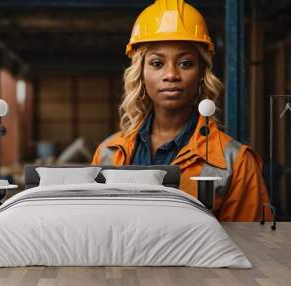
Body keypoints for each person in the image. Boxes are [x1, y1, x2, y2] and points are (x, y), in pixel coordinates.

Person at [91, 0, 272, 221]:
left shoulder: (237, 162)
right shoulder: (108, 153)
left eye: (185, 63)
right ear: (141, 73)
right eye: (157, 63)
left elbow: (248, 244)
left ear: (202, 73)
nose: (171, 75)